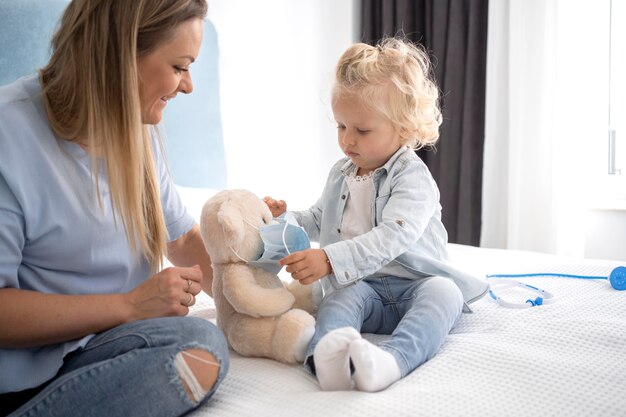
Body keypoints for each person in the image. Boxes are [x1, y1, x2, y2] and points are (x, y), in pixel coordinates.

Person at [0, 1, 229, 416]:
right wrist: (129, 305)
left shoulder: (137, 129)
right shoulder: (9, 135)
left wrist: (256, 308)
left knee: (203, 343)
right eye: (179, 67)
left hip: (105, 346)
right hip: (26, 375)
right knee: (196, 347)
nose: (188, 85)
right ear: (122, 58)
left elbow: (180, 239)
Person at [263, 38, 488, 392]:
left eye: (362, 130)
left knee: (446, 294)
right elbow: (319, 218)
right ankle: (328, 356)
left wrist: (330, 259)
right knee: (338, 298)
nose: (347, 140)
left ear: (403, 128)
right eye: (340, 126)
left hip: (416, 285)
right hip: (365, 289)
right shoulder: (342, 172)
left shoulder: (412, 177)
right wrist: (284, 217)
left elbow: (392, 235)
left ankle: (393, 361)